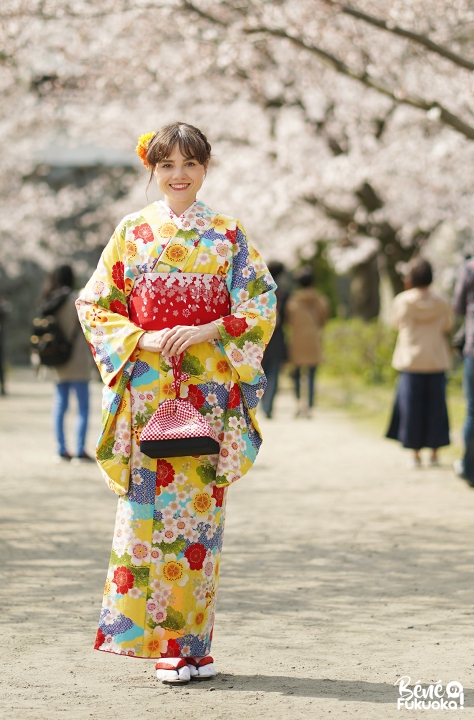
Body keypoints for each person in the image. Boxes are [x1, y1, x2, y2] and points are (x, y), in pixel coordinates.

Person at [77, 123, 276, 685]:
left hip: (207, 390)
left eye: (189, 163)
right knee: (143, 518)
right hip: (147, 392)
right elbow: (94, 304)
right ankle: (158, 642)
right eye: (167, 165)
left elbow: (261, 301)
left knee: (198, 522)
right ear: (153, 171)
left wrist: (213, 326)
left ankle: (193, 645)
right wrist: (142, 338)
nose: (178, 174)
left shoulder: (228, 235)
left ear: (206, 168)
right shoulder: (132, 232)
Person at [386, 258, 452, 467]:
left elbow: (394, 324)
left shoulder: (403, 301)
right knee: (436, 409)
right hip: (435, 359)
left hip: (410, 361)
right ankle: (434, 454)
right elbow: (448, 325)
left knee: (411, 409)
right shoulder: (442, 301)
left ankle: (415, 455)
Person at [37, 265, 97, 461]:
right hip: (77, 358)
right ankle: (79, 450)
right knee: (82, 407)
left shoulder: (48, 300)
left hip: (56, 358)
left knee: (60, 404)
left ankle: (61, 449)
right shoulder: (76, 300)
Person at [285, 268, 329, 418]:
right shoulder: (320, 300)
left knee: (297, 373)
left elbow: (289, 320)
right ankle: (309, 406)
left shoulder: (293, 301)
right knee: (311, 374)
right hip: (314, 339)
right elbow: (324, 319)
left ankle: (298, 403)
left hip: (297, 339)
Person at [452, 255, 474, 485]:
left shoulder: (470, 267)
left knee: (472, 412)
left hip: (473, 349)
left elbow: (457, 306)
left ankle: (469, 470)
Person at [260, 261, 289, 419]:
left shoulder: (259, 289)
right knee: (273, 374)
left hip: (261, 336)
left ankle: (263, 403)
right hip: (277, 338)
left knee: (261, 372)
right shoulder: (284, 292)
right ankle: (268, 406)